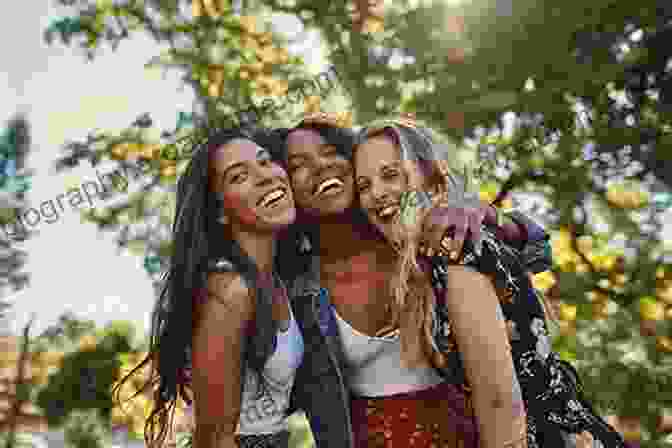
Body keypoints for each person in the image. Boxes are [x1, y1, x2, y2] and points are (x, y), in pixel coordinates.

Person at [270, 113, 553, 448]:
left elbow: (536, 253)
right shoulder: (293, 288)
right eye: (299, 165)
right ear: (286, 187)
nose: (320, 167)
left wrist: (483, 213)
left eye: (331, 153)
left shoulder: (423, 235)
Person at [352, 116, 627, 448]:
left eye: (391, 175)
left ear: (433, 179)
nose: (377, 193)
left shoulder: (456, 249)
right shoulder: (427, 262)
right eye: (364, 185)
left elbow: (501, 404)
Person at [113, 127, 304, 448]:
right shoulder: (229, 290)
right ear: (219, 211)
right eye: (239, 176)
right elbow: (216, 438)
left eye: (266, 161)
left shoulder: (275, 280)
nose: (266, 176)